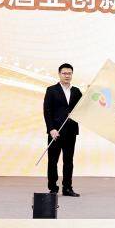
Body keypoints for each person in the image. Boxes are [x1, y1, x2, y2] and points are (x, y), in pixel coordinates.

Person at [42, 63, 82, 197]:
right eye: (64, 73)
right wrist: (51, 129)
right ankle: (53, 188)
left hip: (71, 131)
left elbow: (82, 108)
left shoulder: (76, 91)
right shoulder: (51, 90)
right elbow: (47, 111)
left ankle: (67, 188)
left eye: (69, 73)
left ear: (72, 74)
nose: (67, 75)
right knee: (53, 161)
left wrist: (89, 93)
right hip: (56, 132)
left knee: (68, 161)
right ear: (59, 74)